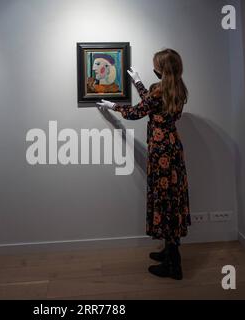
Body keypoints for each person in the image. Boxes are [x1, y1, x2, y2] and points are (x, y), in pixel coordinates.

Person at [97, 49, 191, 280]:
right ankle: (170, 252)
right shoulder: (178, 87)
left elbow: (135, 112)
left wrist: (113, 107)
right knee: (171, 199)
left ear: (161, 68)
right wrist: (138, 82)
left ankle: (174, 265)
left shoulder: (160, 91)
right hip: (173, 148)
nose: (153, 67)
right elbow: (151, 102)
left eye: (155, 64)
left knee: (164, 199)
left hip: (161, 153)